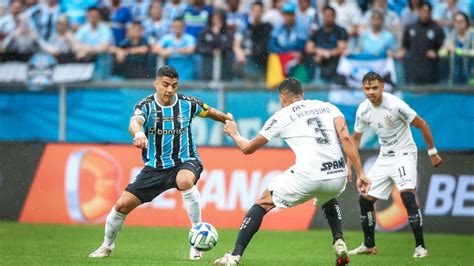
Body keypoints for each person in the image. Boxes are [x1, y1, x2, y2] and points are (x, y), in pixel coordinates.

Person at [214, 77, 371, 265]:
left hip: (310, 176)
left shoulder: (282, 115)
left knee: (263, 202)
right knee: (327, 196)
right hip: (338, 174)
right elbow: (346, 137)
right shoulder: (329, 107)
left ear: (282, 98)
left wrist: (234, 133)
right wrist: (360, 172)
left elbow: (248, 148)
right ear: (302, 95)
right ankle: (338, 240)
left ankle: (234, 256)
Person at [89, 65, 233, 260]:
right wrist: (139, 133)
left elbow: (209, 111)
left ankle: (197, 239)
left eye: (174, 85)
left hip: (186, 160)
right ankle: (106, 246)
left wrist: (226, 119)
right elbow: (135, 122)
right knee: (122, 205)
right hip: (155, 168)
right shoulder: (146, 106)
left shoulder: (187, 104)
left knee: (184, 181)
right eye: (165, 85)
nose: (170, 90)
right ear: (156, 84)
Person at [347, 71, 443, 258]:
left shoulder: (395, 105)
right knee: (364, 199)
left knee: (407, 198)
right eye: (367, 88)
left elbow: (422, 124)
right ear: (363, 89)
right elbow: (355, 138)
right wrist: (349, 164)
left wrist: (432, 152)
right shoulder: (363, 110)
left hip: (404, 154)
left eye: (375, 87)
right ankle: (369, 245)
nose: (371, 92)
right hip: (384, 157)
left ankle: (420, 248)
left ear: (382, 86)